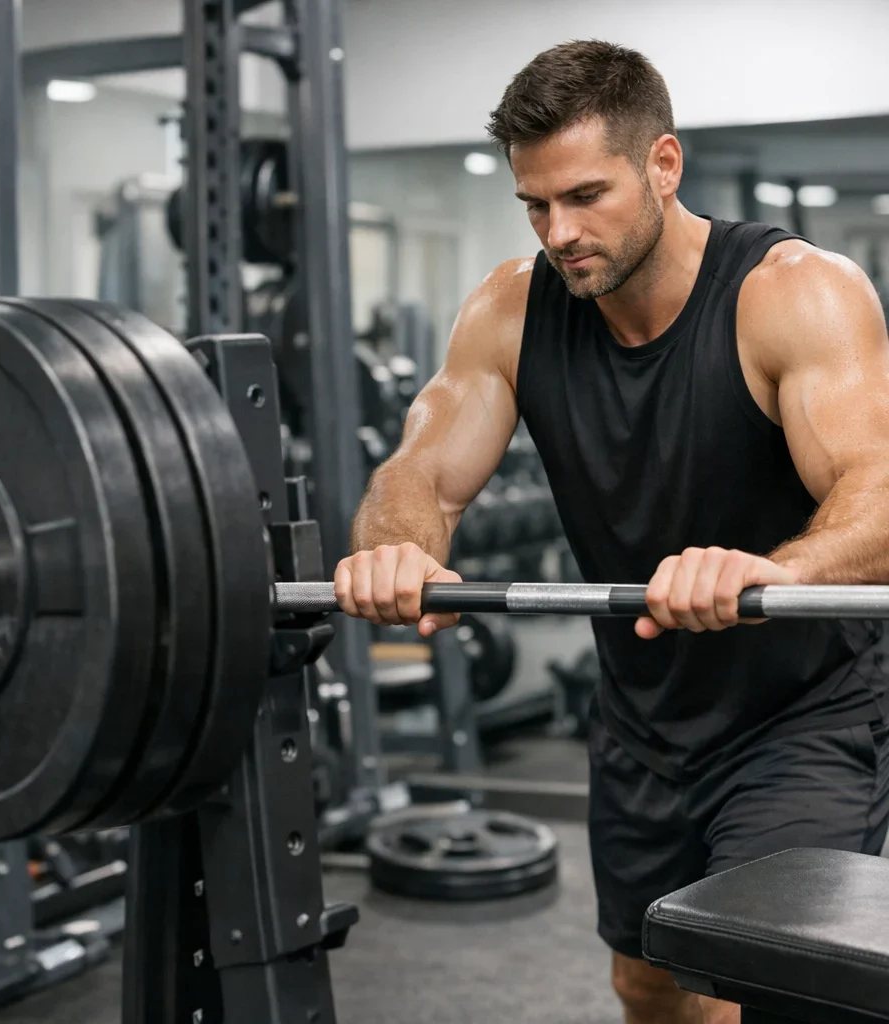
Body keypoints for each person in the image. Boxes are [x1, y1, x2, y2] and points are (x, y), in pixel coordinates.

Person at [334, 39, 889, 1024]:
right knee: (648, 982)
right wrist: (399, 545)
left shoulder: (791, 292)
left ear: (662, 165)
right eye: (536, 205)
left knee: (760, 987)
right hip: (641, 723)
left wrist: (768, 571)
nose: (560, 231)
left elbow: (878, 493)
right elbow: (419, 471)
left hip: (801, 717)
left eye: (586, 195)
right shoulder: (510, 308)